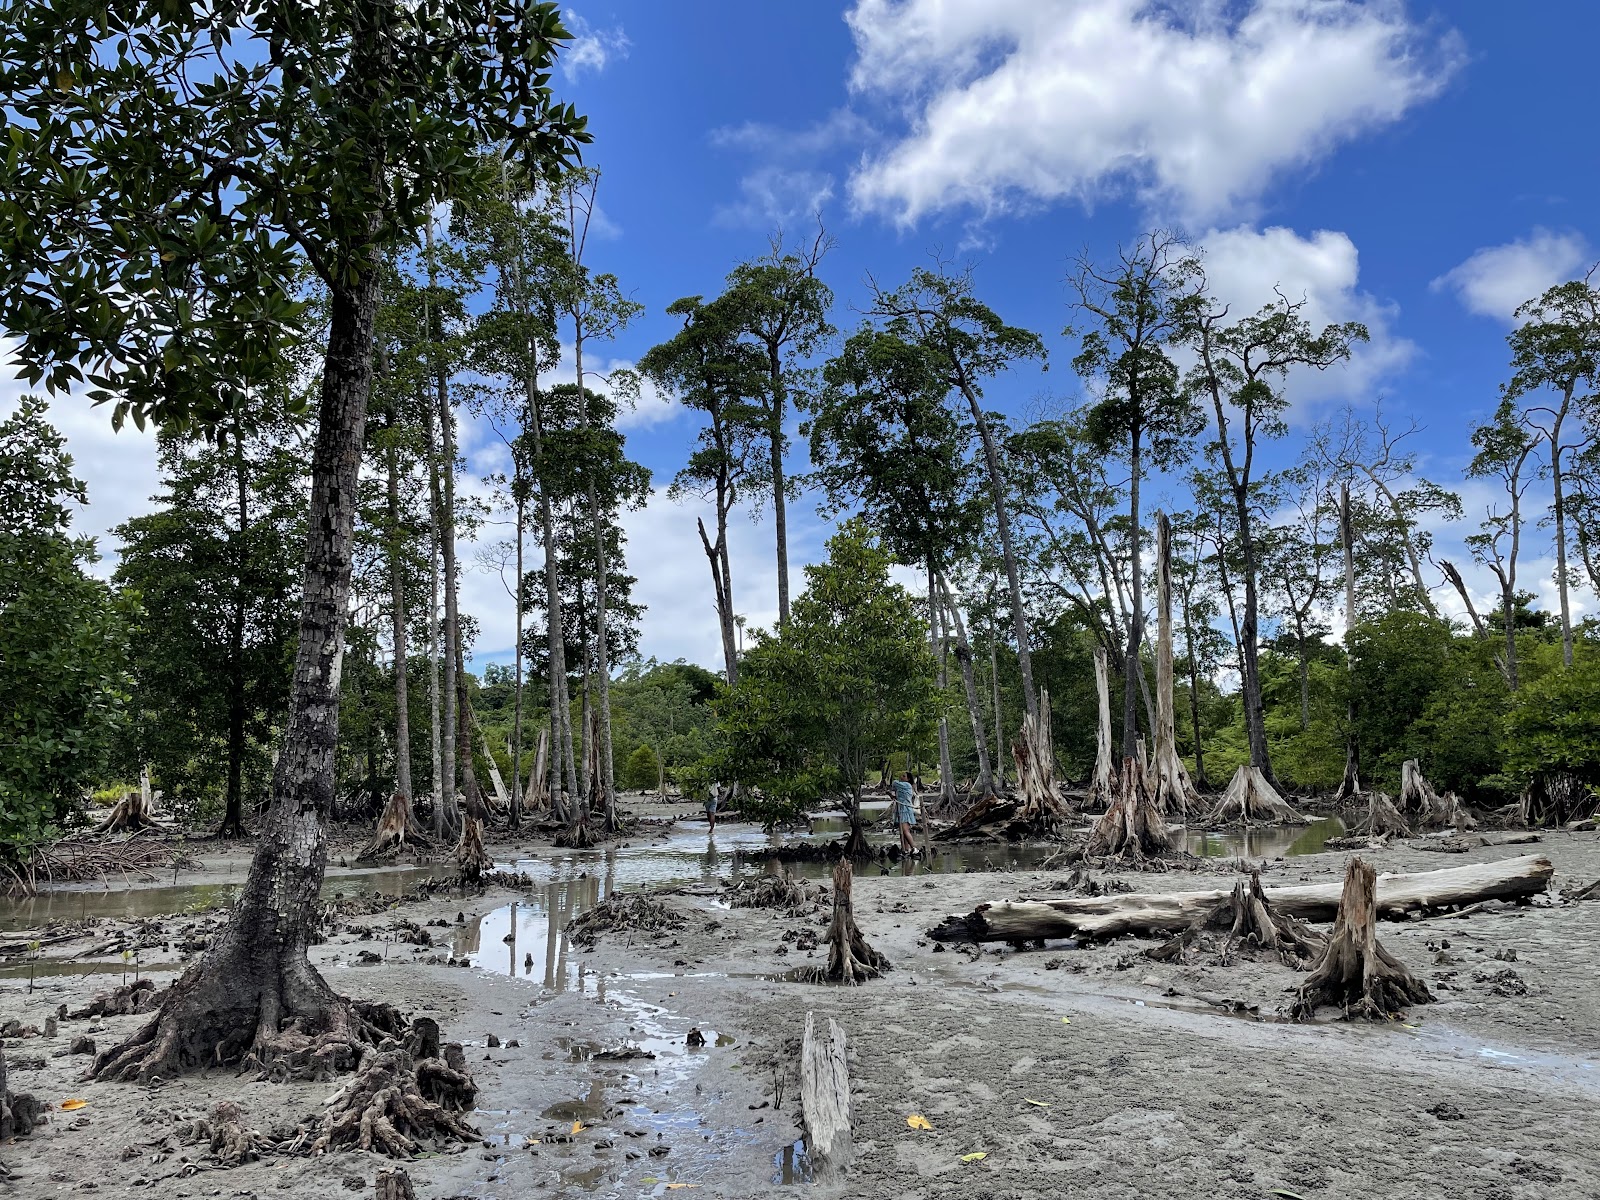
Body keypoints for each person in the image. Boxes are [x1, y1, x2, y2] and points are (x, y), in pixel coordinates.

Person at [892, 771, 918, 856]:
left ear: (908, 779)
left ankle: (914, 848)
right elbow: (897, 796)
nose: (901, 777)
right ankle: (906, 849)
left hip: (905, 810)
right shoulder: (902, 787)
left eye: (904, 776)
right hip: (901, 809)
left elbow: (894, 783)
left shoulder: (907, 785)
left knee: (905, 830)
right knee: (903, 831)